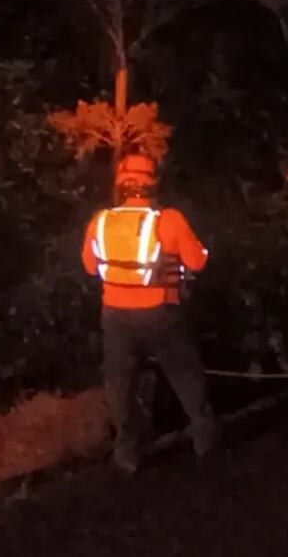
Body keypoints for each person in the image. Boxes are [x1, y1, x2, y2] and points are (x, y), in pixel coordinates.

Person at [81, 153, 218, 474]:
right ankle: (206, 443)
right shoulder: (168, 220)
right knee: (186, 376)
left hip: (115, 315)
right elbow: (198, 262)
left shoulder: (100, 221)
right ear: (154, 183)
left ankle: (127, 455)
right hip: (160, 313)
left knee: (120, 384)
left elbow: (90, 266)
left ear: (120, 185)